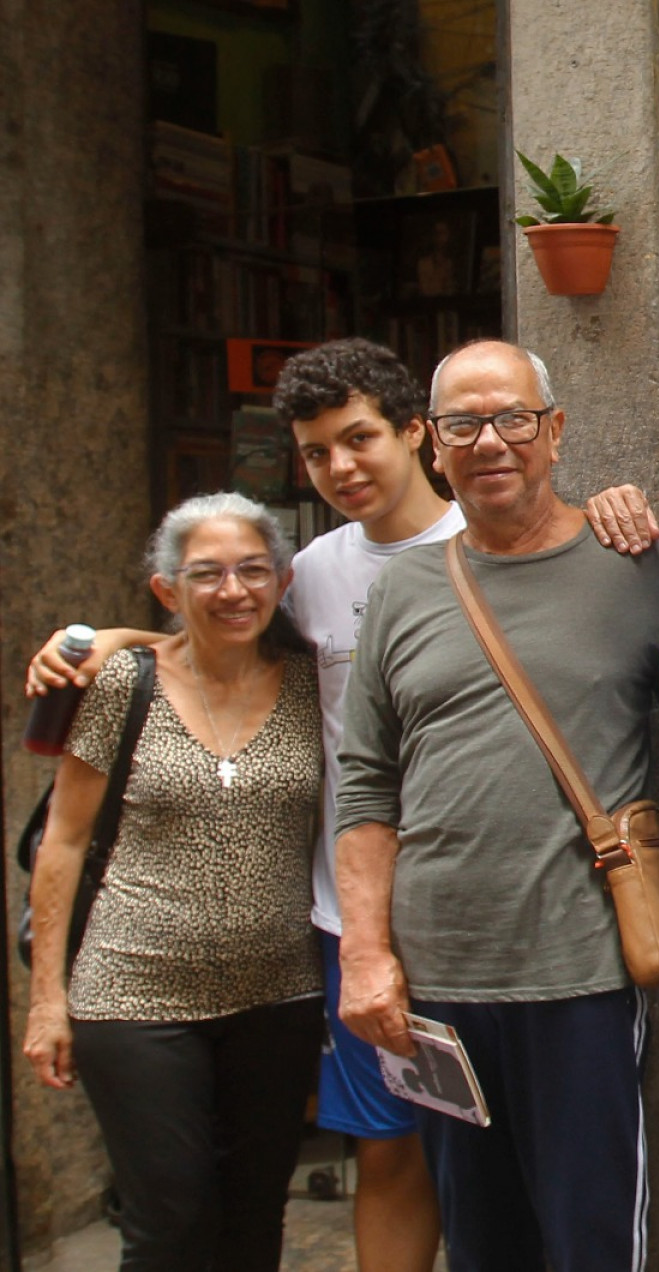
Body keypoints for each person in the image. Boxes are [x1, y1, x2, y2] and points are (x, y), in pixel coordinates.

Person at [27, 337, 457, 1272]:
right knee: (358, 1161)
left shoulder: (483, 547)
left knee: (468, 1168)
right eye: (315, 452)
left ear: (416, 433)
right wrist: (108, 641)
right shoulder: (311, 574)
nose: (340, 467)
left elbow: (233, 628)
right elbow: (218, 631)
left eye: (358, 440)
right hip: (338, 930)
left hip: (447, 927)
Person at [332, 340, 659, 1272]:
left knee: (592, 1241)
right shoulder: (401, 591)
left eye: (513, 418)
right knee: (482, 1245)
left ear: (556, 431)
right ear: (432, 444)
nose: (491, 441)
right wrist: (366, 954)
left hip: (583, 977)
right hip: (439, 987)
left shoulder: (637, 571)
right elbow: (364, 785)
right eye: (463, 424)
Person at [23, 493, 326, 1270]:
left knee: (256, 1217)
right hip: (133, 993)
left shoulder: (310, 685)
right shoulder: (124, 683)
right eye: (208, 574)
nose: (234, 590)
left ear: (282, 580)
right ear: (169, 590)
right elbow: (62, 842)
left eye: (253, 570)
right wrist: (47, 1000)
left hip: (278, 994)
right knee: (171, 1218)